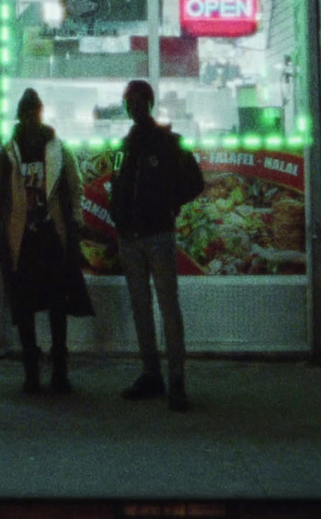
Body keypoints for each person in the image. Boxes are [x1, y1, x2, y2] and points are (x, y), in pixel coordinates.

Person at [0, 89, 95, 394]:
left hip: (51, 235)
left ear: (39, 113)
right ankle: (33, 372)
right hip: (21, 237)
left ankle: (58, 371)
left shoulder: (58, 148)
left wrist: (75, 219)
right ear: (20, 116)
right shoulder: (7, 153)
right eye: (26, 113)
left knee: (56, 305)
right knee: (24, 307)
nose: (30, 117)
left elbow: (76, 188)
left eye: (34, 112)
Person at [111, 79, 206, 412]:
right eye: (129, 101)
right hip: (131, 238)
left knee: (168, 308)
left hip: (157, 236)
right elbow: (117, 185)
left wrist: (168, 203)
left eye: (138, 100)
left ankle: (176, 380)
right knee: (141, 309)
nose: (133, 106)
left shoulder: (169, 142)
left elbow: (196, 183)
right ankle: (152, 375)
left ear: (149, 103)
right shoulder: (124, 145)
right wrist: (120, 221)